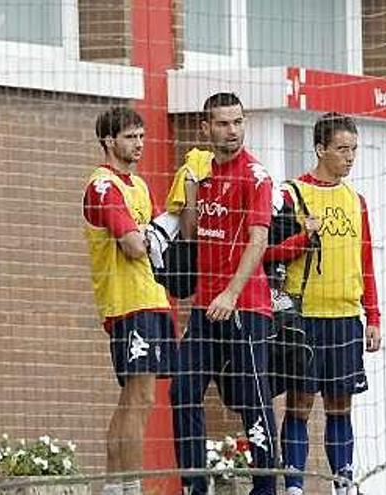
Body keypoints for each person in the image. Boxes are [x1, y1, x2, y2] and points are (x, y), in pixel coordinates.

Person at [266, 113, 382, 495]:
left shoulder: (357, 201)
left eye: (354, 150)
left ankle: (344, 484)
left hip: (346, 318)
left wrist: (374, 316)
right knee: (299, 405)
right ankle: (294, 486)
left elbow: (366, 263)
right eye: (342, 149)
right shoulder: (291, 194)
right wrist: (304, 236)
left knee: (340, 406)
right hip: (304, 318)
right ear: (320, 149)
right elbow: (267, 253)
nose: (350, 157)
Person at [169, 92, 278, 495]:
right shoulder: (203, 170)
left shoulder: (256, 176)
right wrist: (193, 188)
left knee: (252, 398)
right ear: (206, 128)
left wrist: (231, 293)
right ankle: (195, 487)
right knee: (182, 390)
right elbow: (191, 233)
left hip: (245, 307)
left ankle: (266, 487)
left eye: (238, 122)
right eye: (223, 123)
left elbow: (259, 240)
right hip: (204, 307)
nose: (232, 131)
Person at [82, 107, 174, 495]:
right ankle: (131, 487)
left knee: (133, 399)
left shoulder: (138, 185)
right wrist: (156, 233)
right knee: (140, 397)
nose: (138, 144)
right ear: (108, 141)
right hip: (128, 302)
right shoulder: (103, 185)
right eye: (130, 137)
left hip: (150, 298)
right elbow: (137, 246)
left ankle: (114, 488)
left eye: (141, 136)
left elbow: (158, 243)